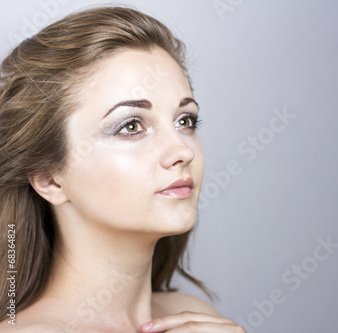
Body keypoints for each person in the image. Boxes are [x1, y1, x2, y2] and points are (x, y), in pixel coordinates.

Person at [0, 6, 244, 332]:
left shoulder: (197, 316)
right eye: (130, 126)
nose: (182, 151)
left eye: (185, 121)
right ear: (49, 178)